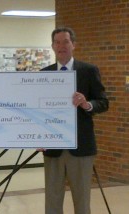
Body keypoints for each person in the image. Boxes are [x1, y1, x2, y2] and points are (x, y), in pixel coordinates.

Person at [40, 27, 109, 214]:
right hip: (52, 147)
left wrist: (87, 104)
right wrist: (37, 137)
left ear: (74, 45)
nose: (61, 46)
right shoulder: (43, 74)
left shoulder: (88, 70)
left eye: (65, 42)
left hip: (81, 147)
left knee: (81, 200)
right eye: (57, 42)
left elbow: (103, 102)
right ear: (52, 46)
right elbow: (37, 110)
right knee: (52, 201)